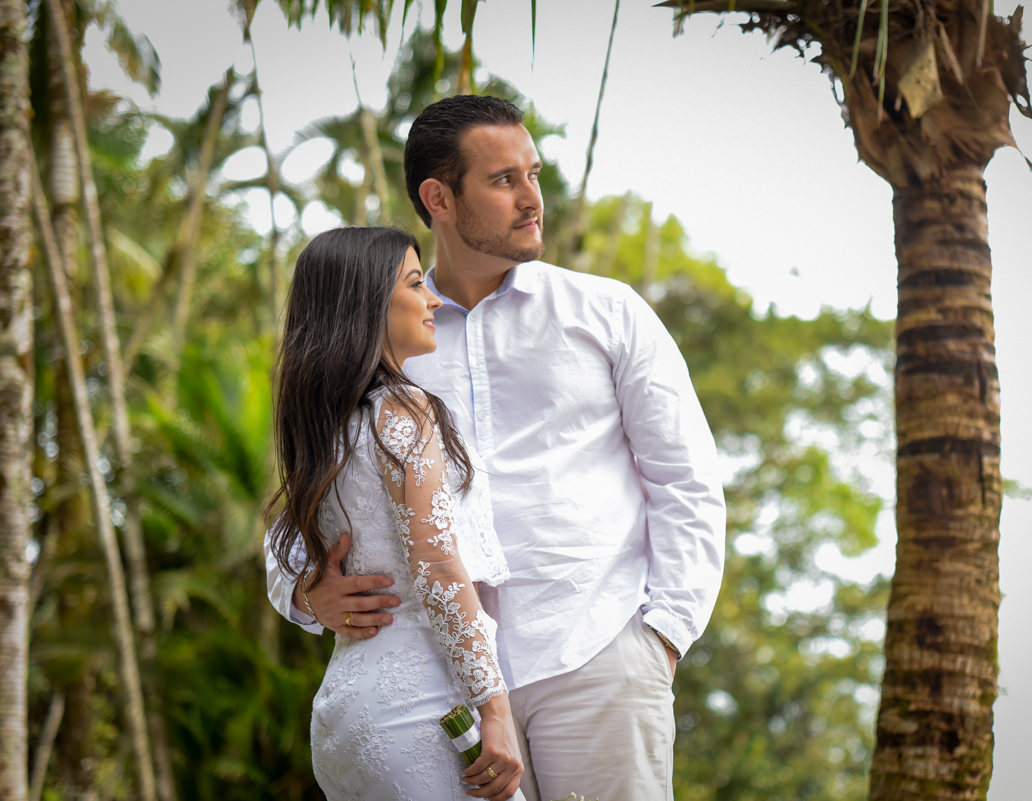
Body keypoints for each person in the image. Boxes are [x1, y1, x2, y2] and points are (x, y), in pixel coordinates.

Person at [266, 96, 726, 801]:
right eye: (504, 180)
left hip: (596, 654)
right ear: (438, 197)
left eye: (533, 174)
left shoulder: (608, 313)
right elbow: (303, 494)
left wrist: (661, 637)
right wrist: (305, 590)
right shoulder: (386, 338)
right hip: (437, 689)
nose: (532, 199)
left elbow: (687, 481)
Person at [265, 225, 524, 801]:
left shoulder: (323, 431)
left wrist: (306, 596)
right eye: (414, 283)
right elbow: (437, 569)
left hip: (344, 715)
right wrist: (496, 711)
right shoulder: (404, 411)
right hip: (420, 707)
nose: (433, 298)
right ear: (367, 303)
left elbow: (280, 551)